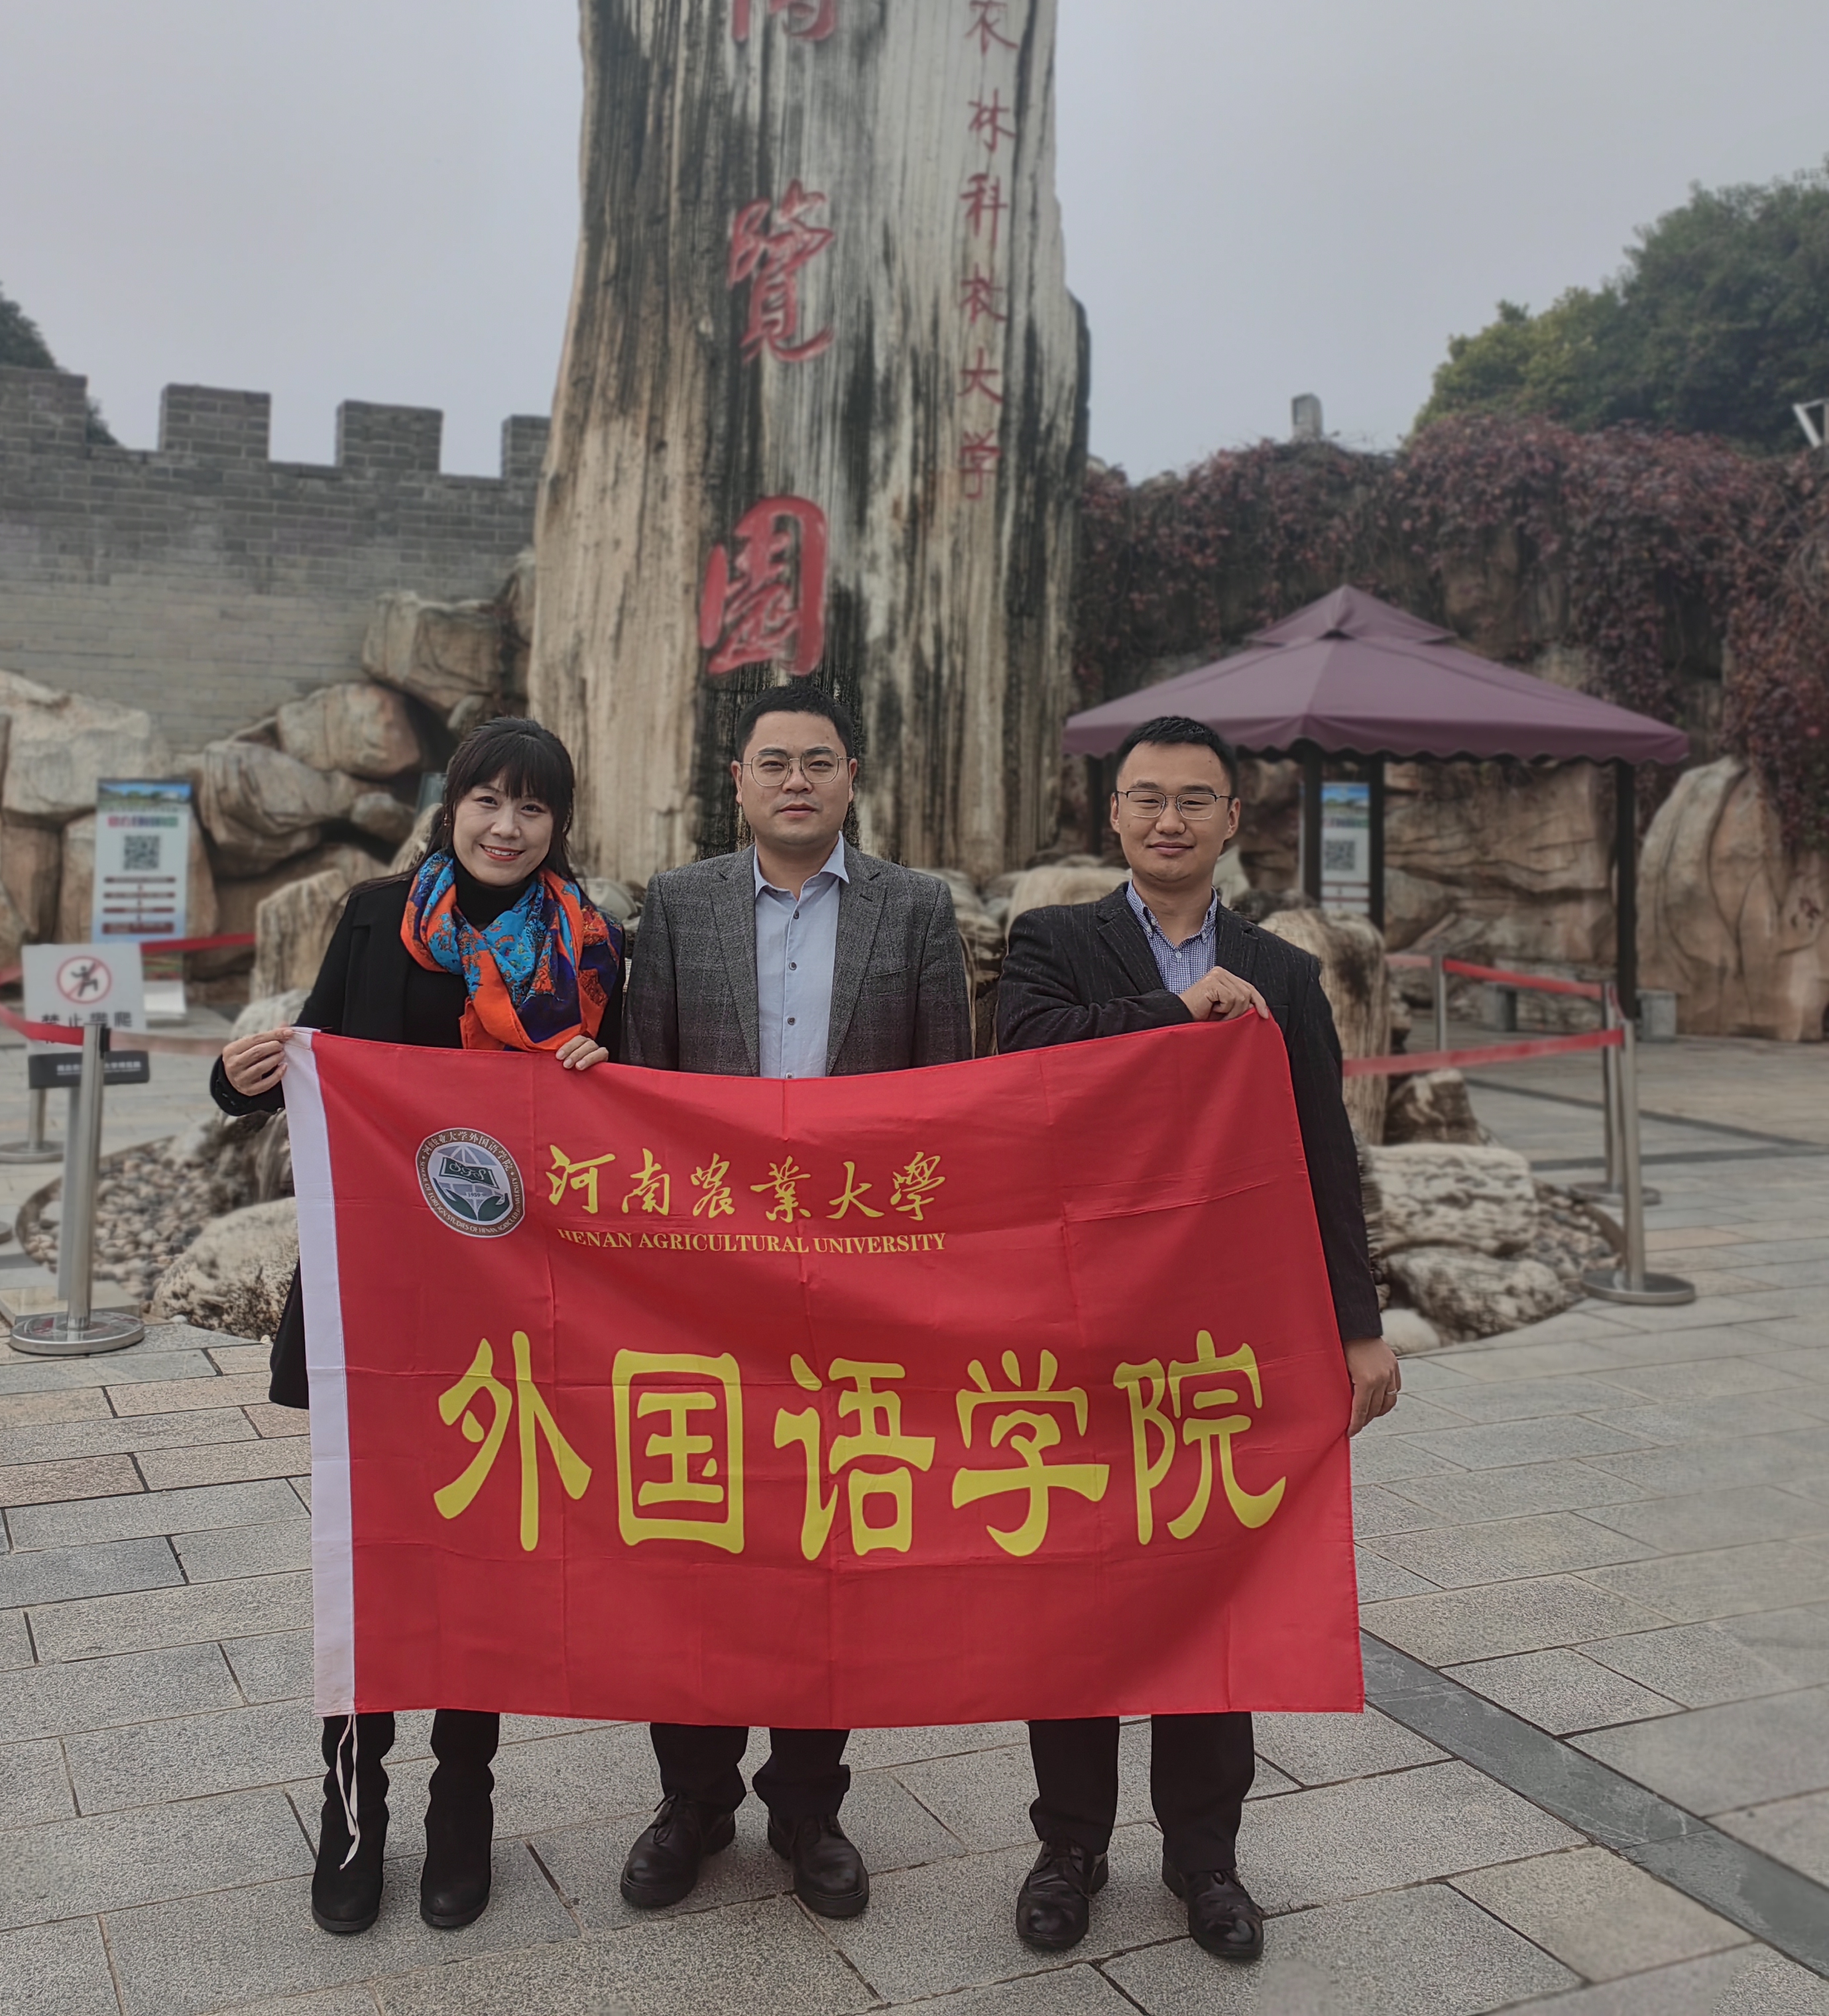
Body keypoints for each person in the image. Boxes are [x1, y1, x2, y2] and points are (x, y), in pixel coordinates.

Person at [994, 712, 1399, 1967]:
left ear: (1232, 819)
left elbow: (1325, 1157)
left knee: (1216, 1589)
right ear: (1113, 814)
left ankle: (1205, 1858)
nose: (1168, 819)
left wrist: (1360, 1329)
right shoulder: (1054, 943)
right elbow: (1020, 1060)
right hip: (1077, 1328)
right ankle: (1069, 1845)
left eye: (1194, 800)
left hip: (1223, 1342)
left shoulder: (1285, 973)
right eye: (1146, 798)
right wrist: (1174, 1013)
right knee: (1075, 1593)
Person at [211, 717, 622, 1941]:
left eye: (533, 808)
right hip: (378, 1303)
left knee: (481, 1563)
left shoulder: (594, 948)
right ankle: (352, 1815)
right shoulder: (377, 918)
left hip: (509, 1317)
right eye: (487, 799)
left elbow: (629, 1136)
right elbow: (316, 1058)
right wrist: (240, 1077)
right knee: (371, 1560)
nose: (507, 825)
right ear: (452, 806)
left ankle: (462, 1813)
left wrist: (600, 1075)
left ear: (559, 826)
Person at [617, 678, 971, 1923]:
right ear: (739, 783)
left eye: (819, 761)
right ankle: (693, 1799)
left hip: (852, 1289)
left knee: (829, 1545)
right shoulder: (678, 903)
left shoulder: (915, 907)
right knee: (696, 1537)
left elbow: (948, 1100)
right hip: (708, 1291)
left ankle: (810, 1806)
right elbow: (642, 1091)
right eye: (774, 762)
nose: (796, 782)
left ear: (852, 777)